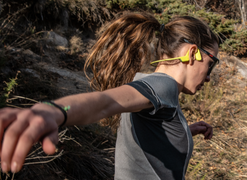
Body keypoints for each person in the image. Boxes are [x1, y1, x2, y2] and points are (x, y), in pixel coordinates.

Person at [0, 12, 219, 179]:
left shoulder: (148, 84)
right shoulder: (163, 86)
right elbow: (105, 102)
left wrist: (183, 132)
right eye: (210, 65)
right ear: (192, 53)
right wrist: (56, 110)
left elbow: (144, 139)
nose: (208, 77)